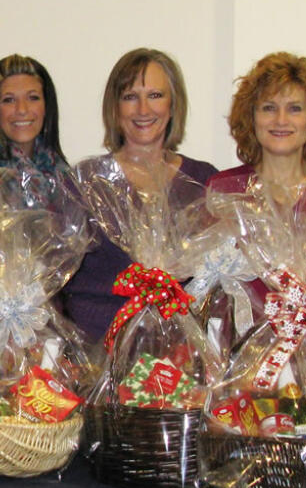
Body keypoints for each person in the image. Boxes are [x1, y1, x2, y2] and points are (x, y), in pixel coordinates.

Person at [59, 48, 217, 341]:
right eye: (130, 97)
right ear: (115, 108)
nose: (143, 110)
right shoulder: (86, 181)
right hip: (97, 350)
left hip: (178, 356)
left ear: (173, 104)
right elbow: (56, 275)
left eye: (155, 95)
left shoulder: (202, 181)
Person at [208, 52, 306, 199]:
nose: (281, 120)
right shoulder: (223, 190)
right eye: (269, 108)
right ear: (252, 116)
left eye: (294, 109)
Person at [0, 54, 67, 179]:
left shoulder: (66, 180)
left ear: (47, 106)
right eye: (9, 100)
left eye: (33, 98)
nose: (22, 109)